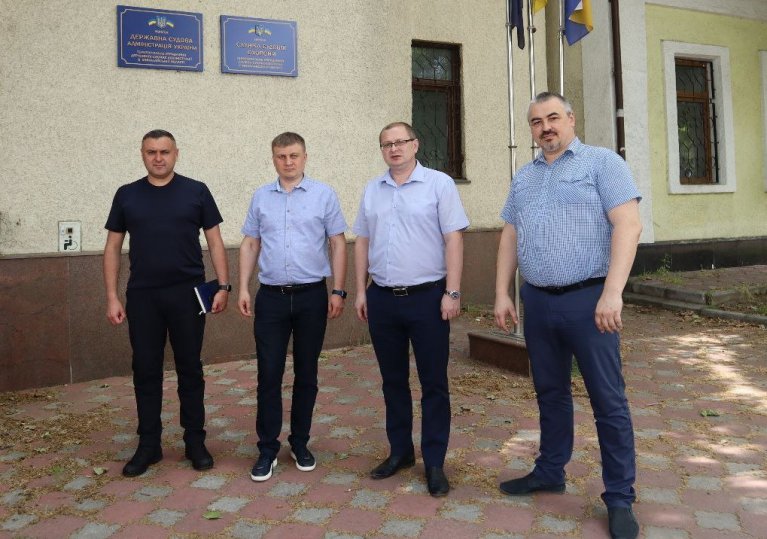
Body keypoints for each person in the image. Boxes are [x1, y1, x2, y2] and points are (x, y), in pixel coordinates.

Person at [494, 92, 642, 539]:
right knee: (550, 392)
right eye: (536, 121)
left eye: (553, 117)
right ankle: (550, 471)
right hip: (538, 302)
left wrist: (612, 292)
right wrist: (502, 293)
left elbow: (629, 224)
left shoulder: (602, 163)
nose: (546, 127)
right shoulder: (525, 176)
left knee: (608, 401)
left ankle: (620, 497)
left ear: (571, 119)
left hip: (589, 301)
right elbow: (510, 234)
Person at [104, 129, 230, 477]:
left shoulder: (196, 191)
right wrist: (112, 296)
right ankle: (149, 444)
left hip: (187, 295)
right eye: (151, 152)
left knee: (190, 368)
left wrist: (223, 285)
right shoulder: (127, 195)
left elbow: (215, 241)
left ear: (176, 153)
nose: (158, 158)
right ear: (142, 154)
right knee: (145, 370)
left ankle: (195, 441)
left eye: (164, 151)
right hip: (143, 296)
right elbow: (113, 247)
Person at [353, 122, 469, 497]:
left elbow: (454, 239)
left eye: (400, 141)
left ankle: (434, 462)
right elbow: (362, 241)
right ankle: (400, 451)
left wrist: (452, 291)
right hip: (383, 298)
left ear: (415, 144)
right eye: (386, 144)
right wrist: (361, 290)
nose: (394, 148)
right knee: (393, 381)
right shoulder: (373, 189)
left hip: (428, 298)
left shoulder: (439, 184)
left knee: (433, 383)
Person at [238, 132, 348, 482]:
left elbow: (338, 243)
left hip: (311, 297)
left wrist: (338, 290)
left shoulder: (323, 195)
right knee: (268, 373)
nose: (288, 162)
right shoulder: (261, 196)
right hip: (270, 297)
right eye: (281, 156)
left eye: (294, 155)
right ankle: (267, 449)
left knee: (307, 372)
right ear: (273, 158)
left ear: (305, 157)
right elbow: (250, 243)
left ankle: (300, 442)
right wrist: (243, 287)